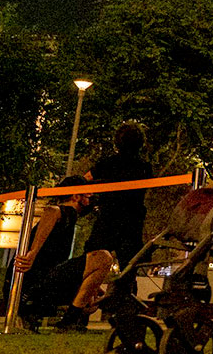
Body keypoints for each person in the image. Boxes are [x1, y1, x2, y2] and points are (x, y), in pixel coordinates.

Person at [63, 122, 155, 328]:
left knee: (91, 267)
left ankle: (78, 316)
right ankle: (125, 318)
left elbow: (85, 181)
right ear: (141, 144)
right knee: (128, 271)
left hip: (108, 219)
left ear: (117, 142)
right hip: (132, 221)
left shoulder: (107, 163)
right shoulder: (144, 167)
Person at [15, 177, 91, 330]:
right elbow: (52, 211)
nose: (91, 200)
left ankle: (69, 315)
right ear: (76, 196)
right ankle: (69, 319)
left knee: (90, 286)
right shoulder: (66, 211)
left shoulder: (70, 218)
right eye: (88, 196)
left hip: (38, 281)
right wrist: (33, 253)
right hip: (35, 282)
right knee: (101, 258)